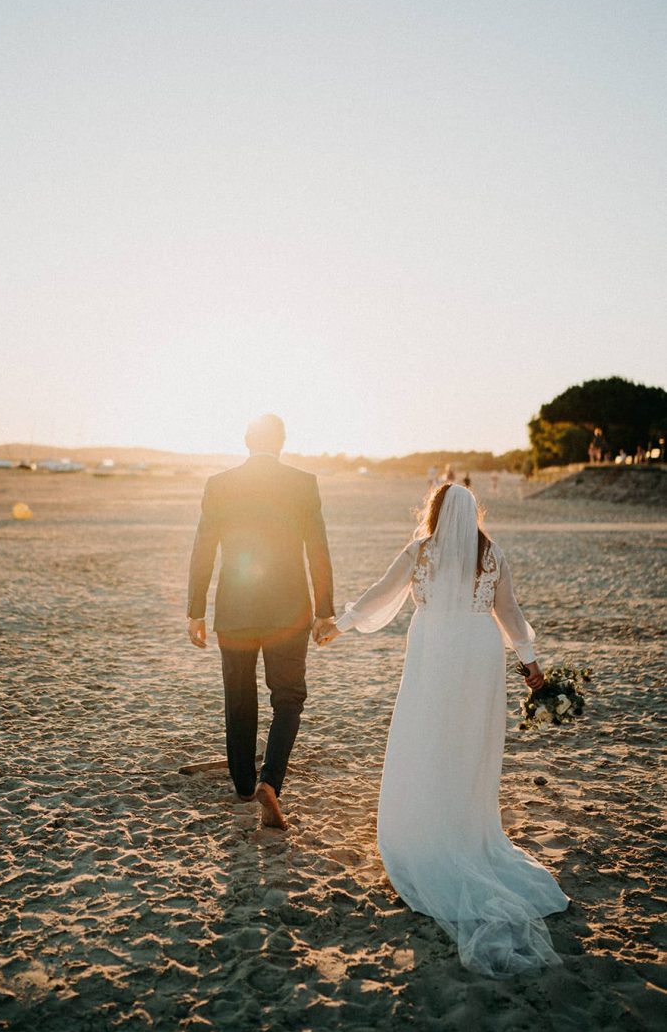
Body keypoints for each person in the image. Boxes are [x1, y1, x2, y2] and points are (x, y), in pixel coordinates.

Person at [317, 483, 568, 977]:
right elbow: (510, 612)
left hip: (434, 652)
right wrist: (530, 662)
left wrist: (339, 625)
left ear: (434, 512)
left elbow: (379, 596)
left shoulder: (420, 551)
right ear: (473, 514)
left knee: (426, 738)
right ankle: (466, 830)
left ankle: (426, 831)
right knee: (468, 746)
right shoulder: (491, 554)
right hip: (479, 654)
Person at [186, 415, 334, 830]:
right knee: (288, 697)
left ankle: (245, 784)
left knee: (238, 693)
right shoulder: (303, 483)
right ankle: (272, 779)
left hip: (235, 610)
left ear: (247, 440)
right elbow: (317, 551)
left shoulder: (220, 484)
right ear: (282, 443)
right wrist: (325, 609)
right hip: (289, 612)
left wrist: (195, 610)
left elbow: (204, 550)